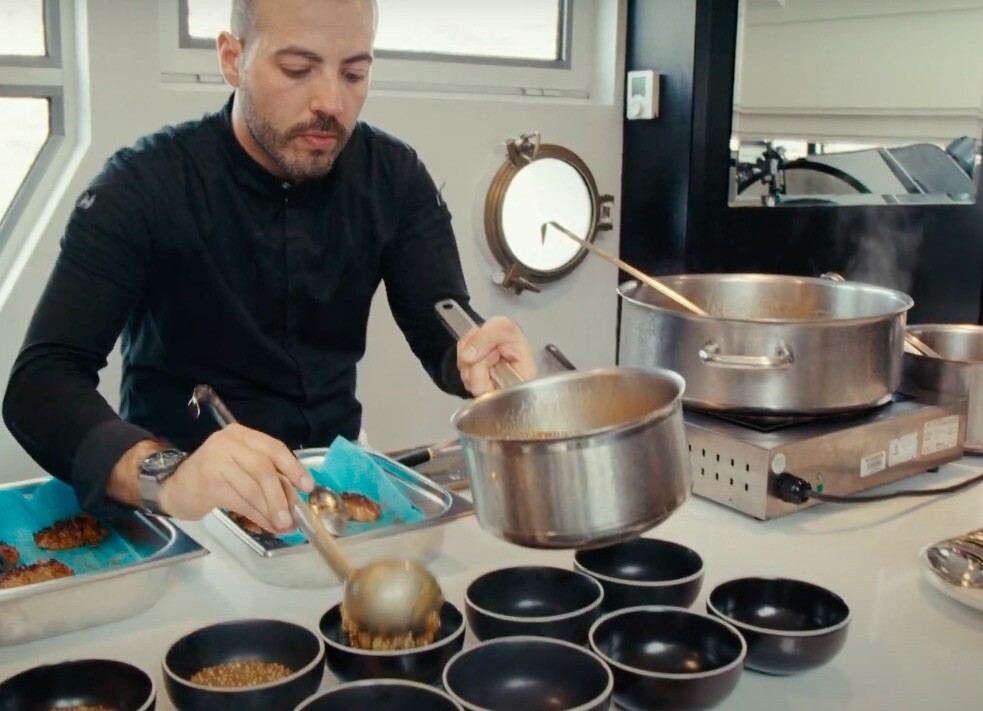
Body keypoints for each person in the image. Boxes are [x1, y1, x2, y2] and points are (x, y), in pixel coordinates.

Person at [1, 0, 534, 534]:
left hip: (332, 482)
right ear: (233, 59)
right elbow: (40, 386)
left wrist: (479, 355)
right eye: (297, 70)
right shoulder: (141, 187)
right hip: (185, 499)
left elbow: (440, 323)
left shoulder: (393, 178)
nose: (331, 102)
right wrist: (167, 474)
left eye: (354, 73)